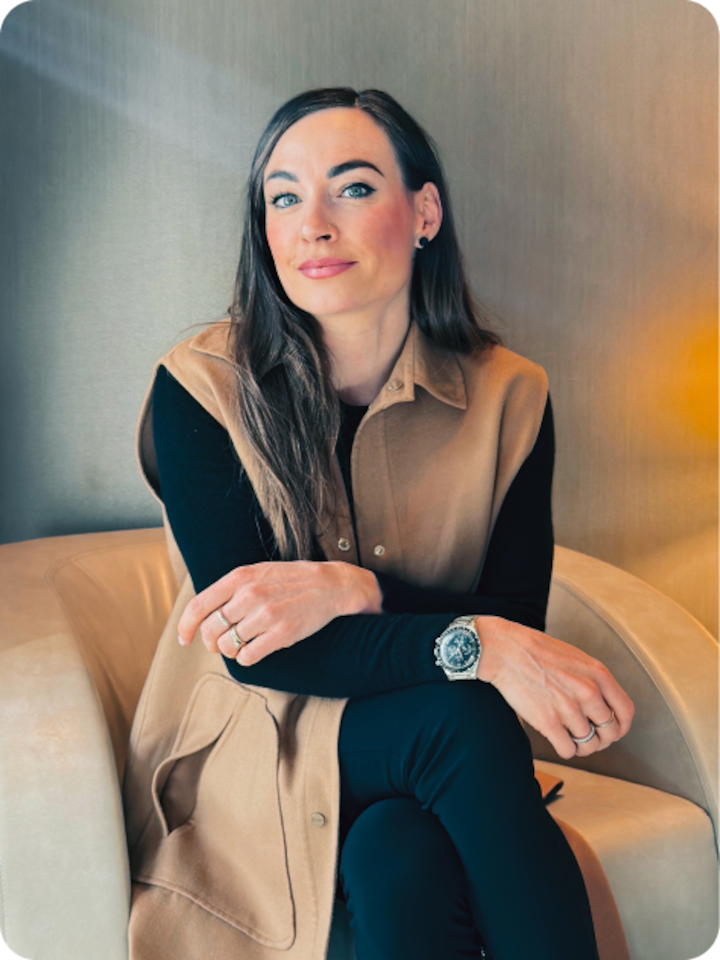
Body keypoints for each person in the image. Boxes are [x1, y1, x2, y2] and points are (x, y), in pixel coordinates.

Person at [127, 87, 634, 960]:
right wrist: (474, 641)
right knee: (460, 722)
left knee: (399, 855)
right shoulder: (202, 386)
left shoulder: (511, 394)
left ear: (424, 212)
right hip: (259, 741)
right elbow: (261, 651)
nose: (313, 226)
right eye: (284, 198)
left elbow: (513, 615)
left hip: (418, 758)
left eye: (353, 188)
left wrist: (355, 589)